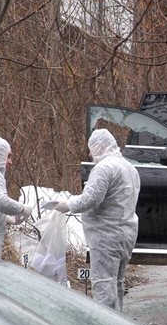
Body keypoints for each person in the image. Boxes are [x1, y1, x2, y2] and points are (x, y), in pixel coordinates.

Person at [54, 128, 140, 312]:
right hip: (125, 233)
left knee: (103, 285)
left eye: (92, 149)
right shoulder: (129, 168)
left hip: (106, 236)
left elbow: (91, 199)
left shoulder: (104, 168)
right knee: (116, 283)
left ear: (100, 146)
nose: (91, 154)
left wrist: (68, 204)